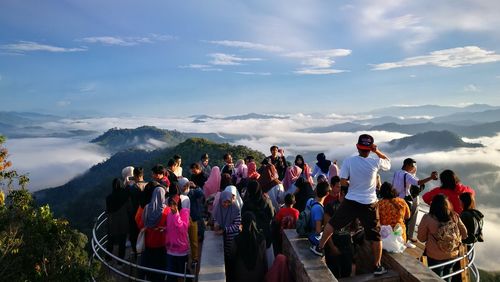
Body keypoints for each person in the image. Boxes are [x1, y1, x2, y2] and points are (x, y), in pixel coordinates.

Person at [312, 134, 391, 276]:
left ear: (357, 147)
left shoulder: (349, 161)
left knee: (333, 223)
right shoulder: (375, 162)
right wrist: (376, 151)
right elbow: (388, 163)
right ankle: (377, 266)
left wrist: (353, 185)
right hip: (370, 203)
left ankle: (319, 247)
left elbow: (342, 182)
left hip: (351, 200)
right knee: (375, 236)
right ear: (370, 149)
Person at [417, 194, 467, 281]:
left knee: (435, 279)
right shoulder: (455, 216)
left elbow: (421, 238)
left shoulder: (428, 218)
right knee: (447, 276)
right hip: (453, 255)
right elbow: (465, 234)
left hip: (435, 257)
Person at [392, 158, 438, 246]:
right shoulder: (407, 175)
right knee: (406, 221)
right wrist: (431, 178)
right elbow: (418, 182)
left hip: (396, 199)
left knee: (398, 220)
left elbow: (394, 185)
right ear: (408, 165)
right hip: (405, 201)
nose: (413, 168)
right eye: (413, 166)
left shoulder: (397, 172)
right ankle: (405, 241)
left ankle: (396, 237)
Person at [138, 184, 170, 282]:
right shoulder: (167, 210)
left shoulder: (147, 208)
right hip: (161, 243)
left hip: (149, 242)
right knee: (160, 267)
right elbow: (169, 227)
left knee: (150, 266)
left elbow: (141, 224)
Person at [242, 180, 275, 269]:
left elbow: (243, 218)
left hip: (251, 235)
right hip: (265, 234)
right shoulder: (266, 201)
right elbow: (272, 215)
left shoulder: (247, 203)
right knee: (269, 261)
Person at [323, 185, 354, 278]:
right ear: (343, 193)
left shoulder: (352, 207)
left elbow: (353, 228)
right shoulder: (330, 206)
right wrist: (332, 247)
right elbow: (326, 228)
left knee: (347, 274)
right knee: (333, 274)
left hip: (347, 245)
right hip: (334, 243)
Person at [230, 211, 268, 282]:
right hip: (258, 275)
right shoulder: (261, 239)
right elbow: (264, 259)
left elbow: (232, 256)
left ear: (243, 223)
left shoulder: (237, 239)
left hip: (240, 275)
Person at [106, 178, 132, 264]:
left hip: (112, 222)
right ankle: (120, 262)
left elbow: (108, 210)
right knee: (122, 242)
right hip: (123, 222)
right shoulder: (125, 196)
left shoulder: (109, 198)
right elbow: (129, 209)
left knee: (110, 241)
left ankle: (108, 259)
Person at [165, 194, 190, 282]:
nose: (172, 206)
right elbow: (170, 228)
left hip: (181, 251)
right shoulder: (169, 214)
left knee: (182, 275)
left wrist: (176, 215)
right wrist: (164, 229)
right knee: (171, 276)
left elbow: (183, 229)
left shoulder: (184, 212)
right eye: (171, 203)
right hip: (170, 249)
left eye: (174, 204)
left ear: (178, 204)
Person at [213, 190, 241, 265]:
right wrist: (216, 224)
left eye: (228, 202)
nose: (226, 204)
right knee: (224, 257)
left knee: (233, 258)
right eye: (224, 202)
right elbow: (216, 218)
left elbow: (237, 225)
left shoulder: (235, 209)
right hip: (223, 238)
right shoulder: (218, 208)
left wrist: (224, 230)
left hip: (232, 239)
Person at [128, 167, 147, 257]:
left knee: (134, 234)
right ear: (142, 175)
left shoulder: (133, 188)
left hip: (135, 214)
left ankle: (135, 252)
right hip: (146, 213)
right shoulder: (148, 185)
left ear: (135, 175)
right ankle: (143, 251)